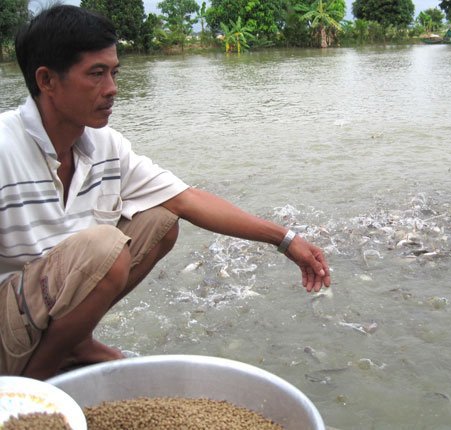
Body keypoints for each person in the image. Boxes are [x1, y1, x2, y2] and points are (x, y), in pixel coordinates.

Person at [0, 5, 330, 380]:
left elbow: (186, 200)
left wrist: (286, 240)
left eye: (113, 72)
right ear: (47, 81)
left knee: (161, 219)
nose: (112, 89)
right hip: (6, 325)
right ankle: (35, 382)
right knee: (105, 246)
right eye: (96, 74)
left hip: (49, 310)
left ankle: (73, 343)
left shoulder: (105, 146)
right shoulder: (4, 147)